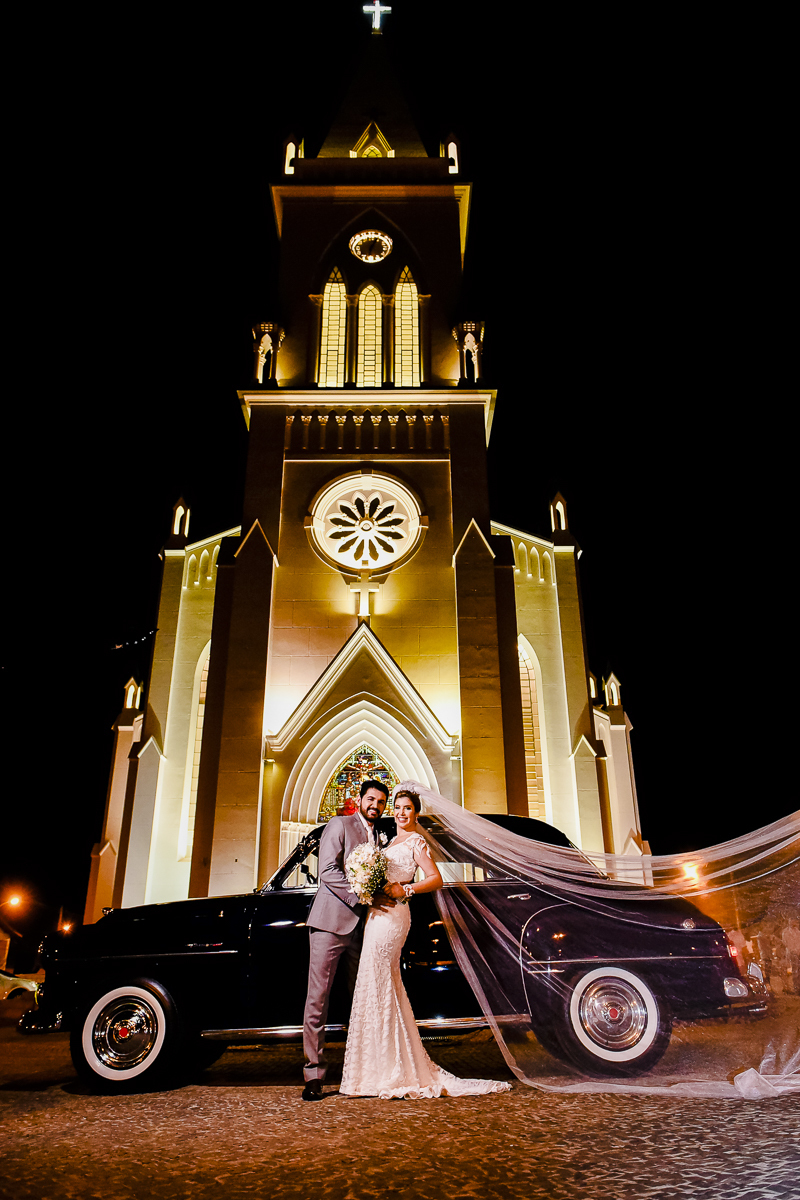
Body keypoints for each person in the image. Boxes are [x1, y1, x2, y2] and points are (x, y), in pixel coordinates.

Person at [339, 787, 511, 1099]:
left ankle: (392, 1070)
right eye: (397, 807)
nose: (401, 813)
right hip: (376, 918)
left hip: (394, 918)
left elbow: (435, 878)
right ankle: (374, 1068)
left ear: (416, 813)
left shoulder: (416, 841)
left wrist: (406, 890)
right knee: (375, 983)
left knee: (382, 983)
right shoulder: (391, 842)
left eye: (407, 808)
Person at [301, 778, 393, 1101]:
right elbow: (327, 870)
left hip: (363, 929)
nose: (375, 807)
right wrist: (362, 896)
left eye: (381, 803)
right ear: (360, 798)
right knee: (319, 999)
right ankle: (314, 1074)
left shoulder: (379, 836)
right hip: (330, 923)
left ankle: (361, 1070)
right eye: (371, 800)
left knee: (362, 997)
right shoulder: (339, 825)